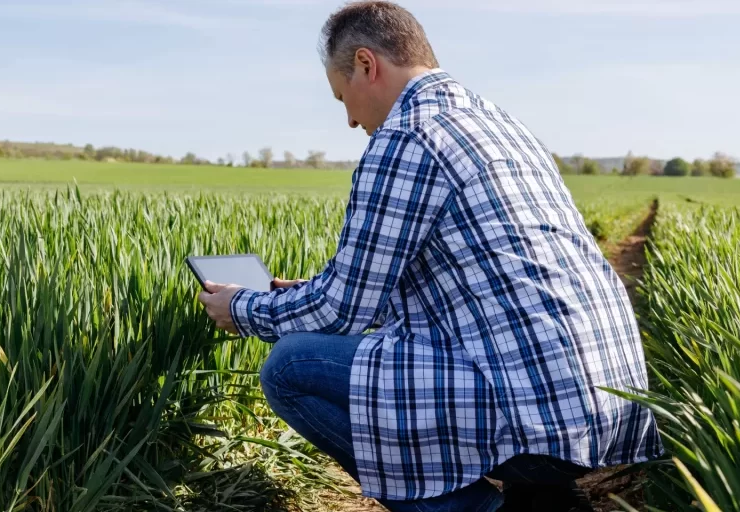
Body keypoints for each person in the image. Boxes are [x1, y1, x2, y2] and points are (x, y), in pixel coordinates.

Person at [196, 2, 663, 511]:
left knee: (290, 364)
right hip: (611, 403)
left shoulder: (407, 136)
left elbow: (344, 312)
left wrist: (241, 309)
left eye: (342, 96)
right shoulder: (498, 122)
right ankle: (546, 498)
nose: (350, 119)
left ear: (367, 65)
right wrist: (303, 294)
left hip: (543, 418)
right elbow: (434, 289)